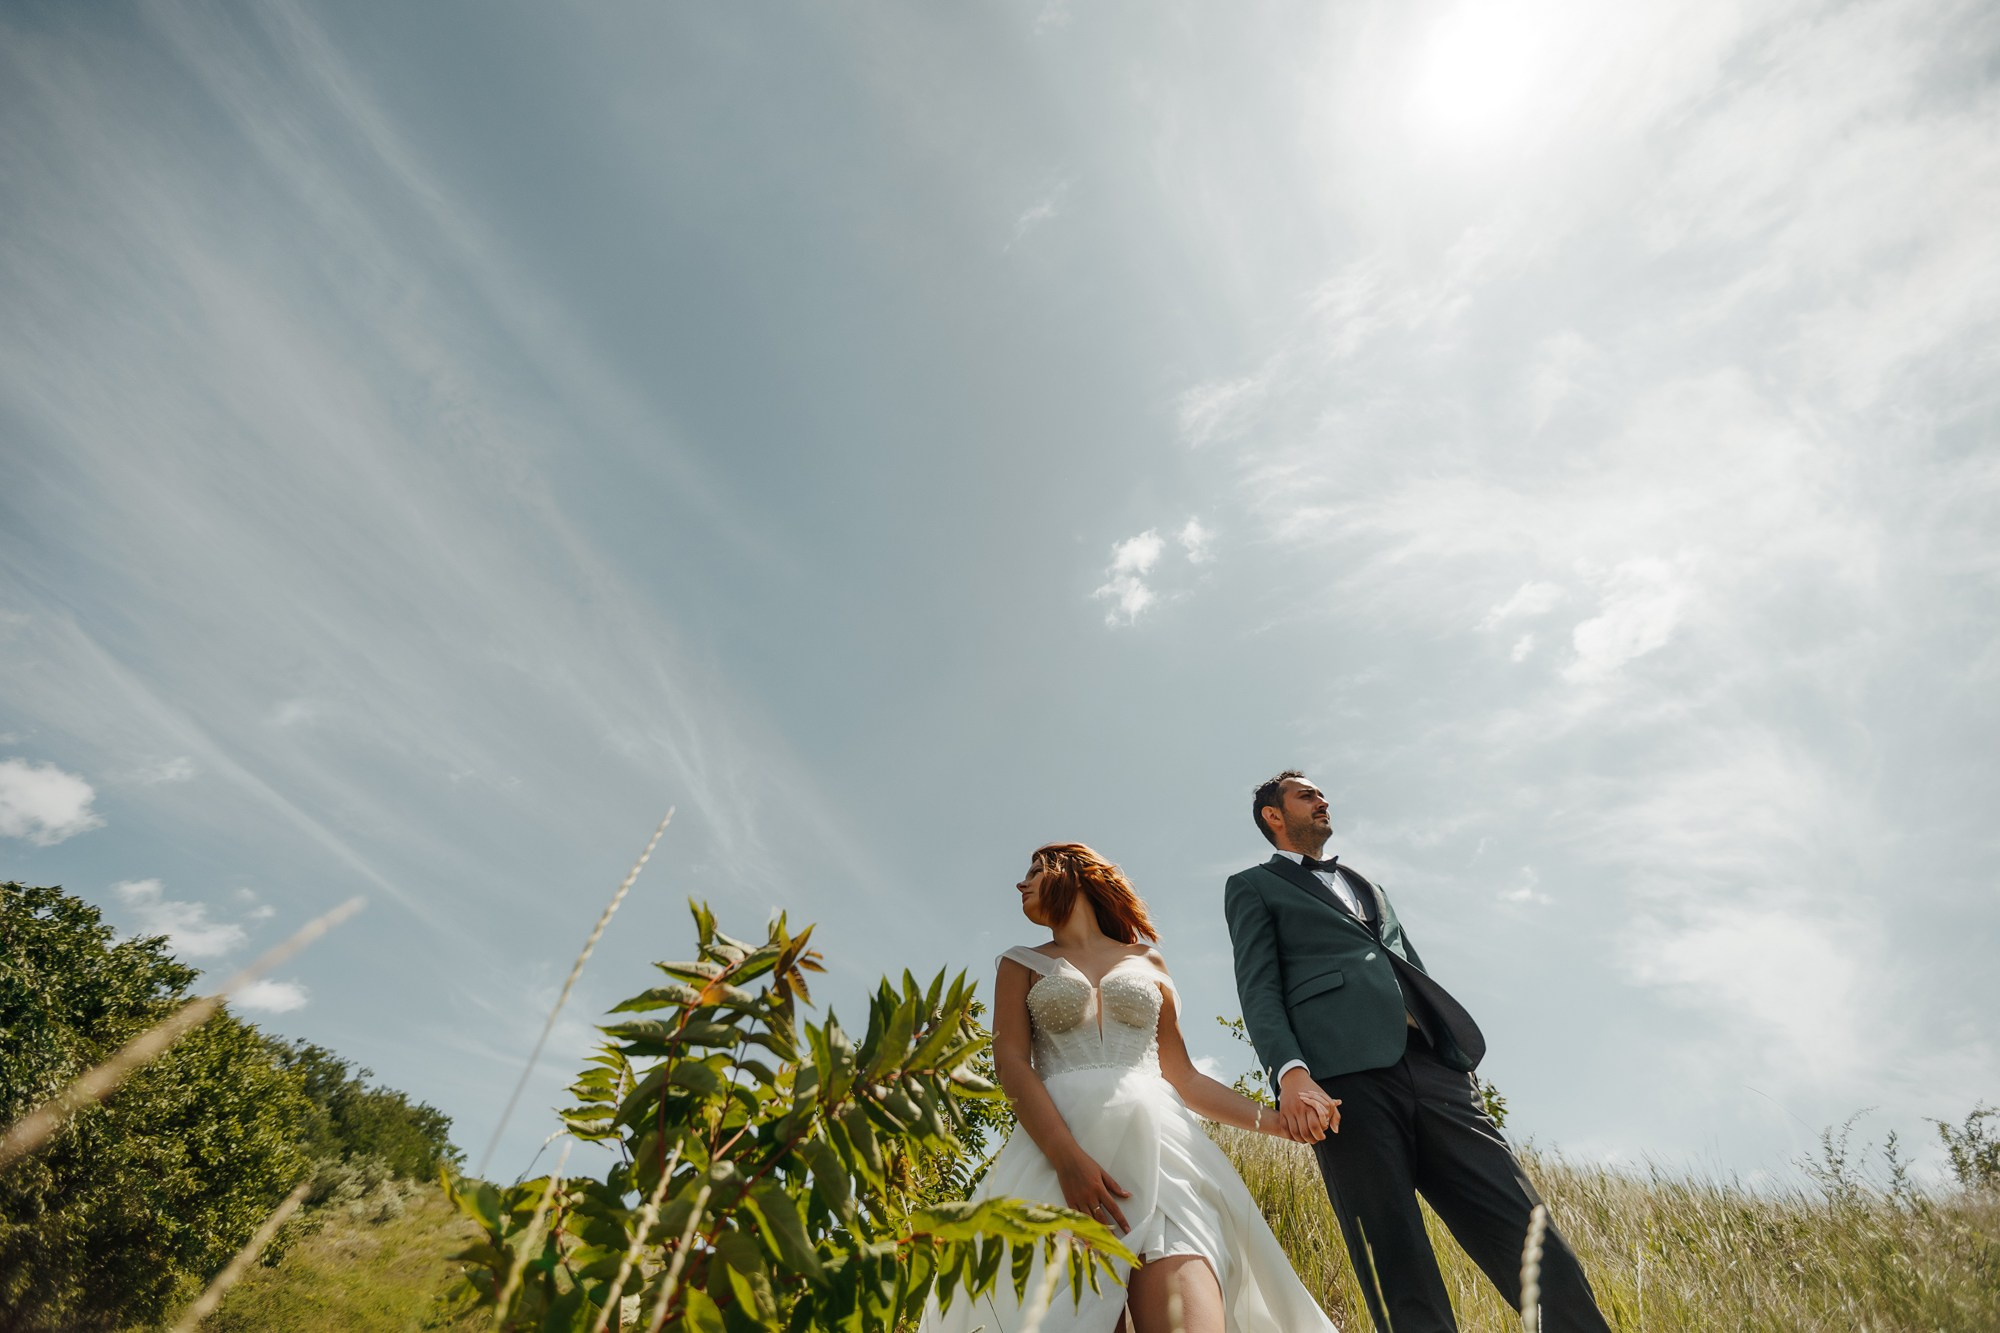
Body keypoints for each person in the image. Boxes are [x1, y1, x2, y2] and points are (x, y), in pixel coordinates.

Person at [1224, 771, 1613, 1333]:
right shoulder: (1252, 885)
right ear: (1274, 816)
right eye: (1307, 794)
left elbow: (1412, 971)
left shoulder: (1369, 886)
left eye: (1321, 792)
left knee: (1527, 1230)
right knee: (1393, 1252)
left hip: (1435, 1071)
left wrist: (1455, 1062)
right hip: (1342, 1082)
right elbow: (1257, 987)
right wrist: (1291, 1075)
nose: (1323, 799)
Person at [924, 842, 1342, 1333]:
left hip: (1168, 1162)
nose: (1022, 883)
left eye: (1036, 870)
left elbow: (1182, 1076)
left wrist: (1275, 1122)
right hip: (1061, 1167)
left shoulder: (1148, 961)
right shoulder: (1019, 963)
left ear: (1075, 873)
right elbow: (1012, 1063)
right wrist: (1066, 1160)